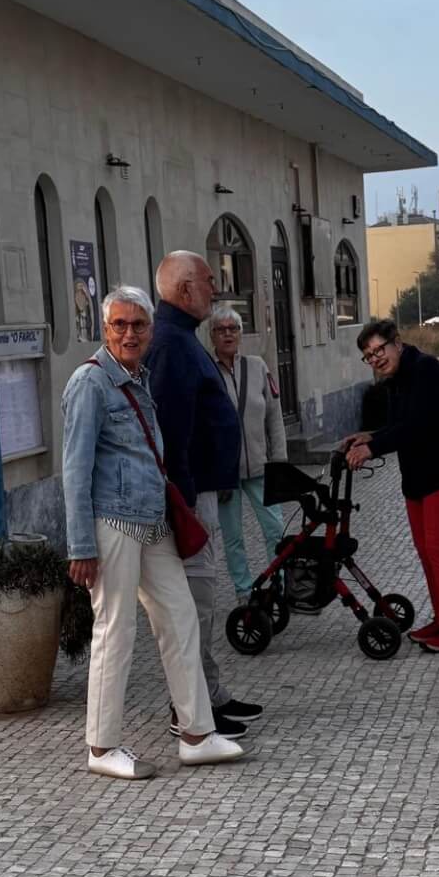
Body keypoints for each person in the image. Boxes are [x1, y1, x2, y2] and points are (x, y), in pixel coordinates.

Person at [62, 286, 245, 778]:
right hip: (112, 522)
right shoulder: (90, 382)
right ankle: (102, 748)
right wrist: (81, 545)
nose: (130, 333)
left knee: (181, 619)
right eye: (119, 324)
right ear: (105, 329)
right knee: (115, 631)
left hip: (153, 520)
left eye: (139, 325)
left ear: (150, 329)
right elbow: (75, 470)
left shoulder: (138, 378)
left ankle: (196, 734)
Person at [146, 251, 263, 736]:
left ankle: (210, 695)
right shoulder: (171, 343)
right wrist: (187, 499)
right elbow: (171, 431)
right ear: (184, 289)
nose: (216, 289)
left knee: (204, 604)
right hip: (190, 500)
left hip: (203, 492)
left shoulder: (182, 338)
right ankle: (191, 710)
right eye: (209, 281)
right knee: (194, 607)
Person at [343, 319, 439, 652]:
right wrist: (371, 436)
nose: (376, 359)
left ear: (397, 343)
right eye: (369, 356)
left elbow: (419, 425)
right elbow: (399, 425)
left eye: (379, 350)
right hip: (418, 476)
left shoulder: (425, 370)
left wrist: (373, 449)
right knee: (426, 550)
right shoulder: (397, 379)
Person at [208, 306, 288, 603]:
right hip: (226, 474)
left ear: (241, 333)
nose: (228, 334)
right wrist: (213, 473)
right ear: (212, 335)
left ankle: (280, 585)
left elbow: (274, 417)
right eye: (221, 329)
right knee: (233, 537)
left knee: (275, 529)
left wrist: (279, 461)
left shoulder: (257, 366)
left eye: (233, 328)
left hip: (261, 468)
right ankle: (244, 591)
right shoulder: (207, 371)